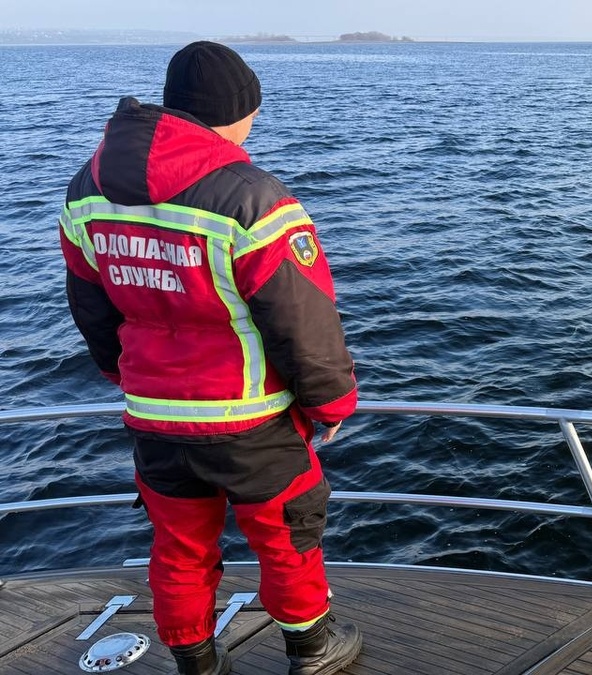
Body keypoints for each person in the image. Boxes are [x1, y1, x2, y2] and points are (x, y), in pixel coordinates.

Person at [58, 41, 362, 675]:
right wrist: (331, 400)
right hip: (250, 417)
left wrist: (126, 373)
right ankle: (313, 650)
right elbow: (302, 318)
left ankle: (197, 662)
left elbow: (90, 305)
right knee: (286, 540)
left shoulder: (87, 188)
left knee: (178, 548)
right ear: (234, 111)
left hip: (153, 414)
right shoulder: (251, 196)